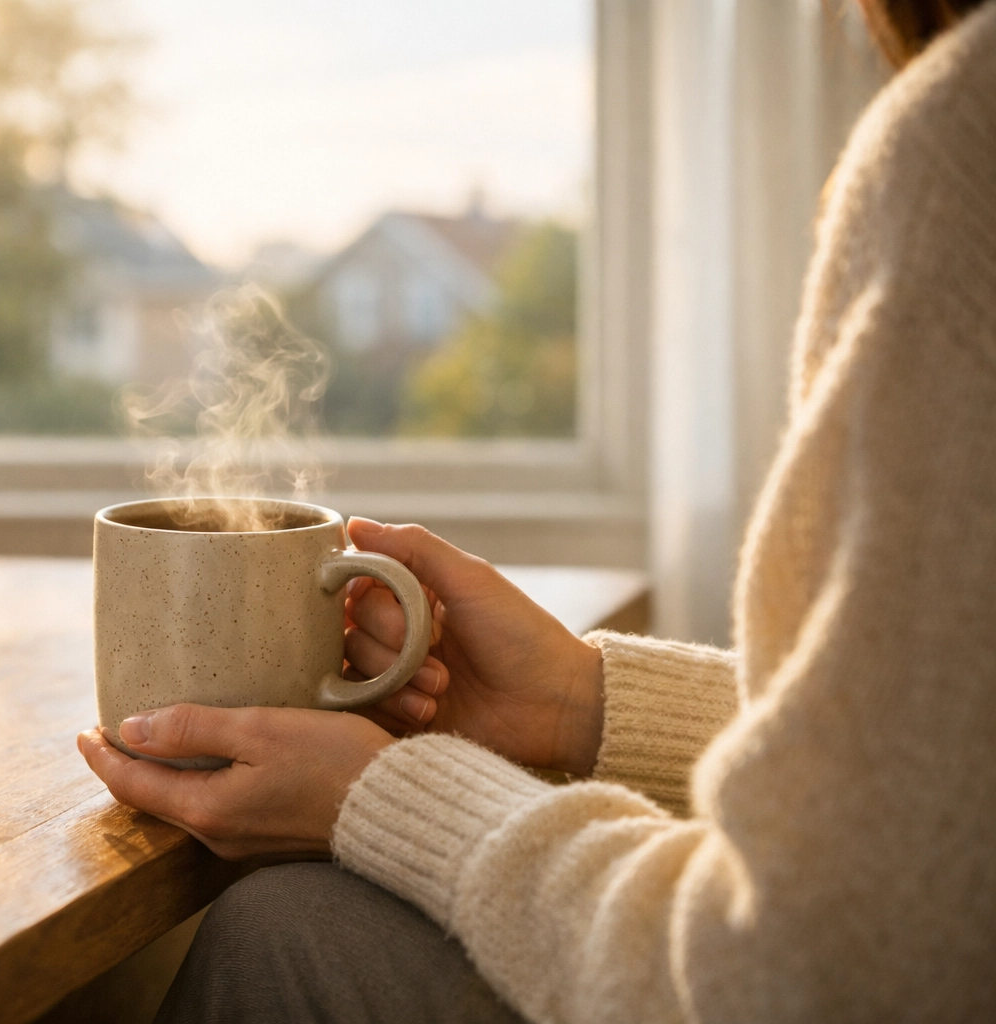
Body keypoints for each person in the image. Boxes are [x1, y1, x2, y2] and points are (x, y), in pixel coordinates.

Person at [77, 1, 996, 1020]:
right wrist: (576, 698)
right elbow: (946, 775)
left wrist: (381, 798)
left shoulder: (966, 138)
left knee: (286, 931)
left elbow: (818, 967)